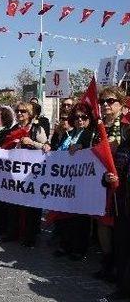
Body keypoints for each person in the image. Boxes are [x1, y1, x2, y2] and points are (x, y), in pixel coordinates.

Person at [48, 103, 97, 261]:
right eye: (76, 117)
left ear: (89, 119)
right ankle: (64, 244)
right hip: (65, 181)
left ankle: (79, 248)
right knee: (65, 215)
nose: (80, 120)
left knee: (79, 217)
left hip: (81, 181)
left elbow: (95, 150)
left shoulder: (90, 135)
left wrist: (82, 146)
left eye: (83, 117)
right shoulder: (69, 134)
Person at [94, 86, 130, 284]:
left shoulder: (126, 127)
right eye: (102, 102)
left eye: (110, 101)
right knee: (102, 223)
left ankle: (120, 266)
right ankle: (107, 263)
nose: (106, 105)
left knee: (118, 225)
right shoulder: (96, 127)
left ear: (120, 103)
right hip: (98, 181)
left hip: (121, 185)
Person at [2, 101, 48, 247]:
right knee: (13, 203)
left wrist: (32, 142)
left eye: (23, 111)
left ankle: (30, 237)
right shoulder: (14, 128)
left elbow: (47, 147)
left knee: (31, 206)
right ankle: (12, 233)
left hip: (31, 173)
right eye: (18, 111)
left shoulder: (37, 129)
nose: (20, 113)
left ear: (30, 114)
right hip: (15, 171)